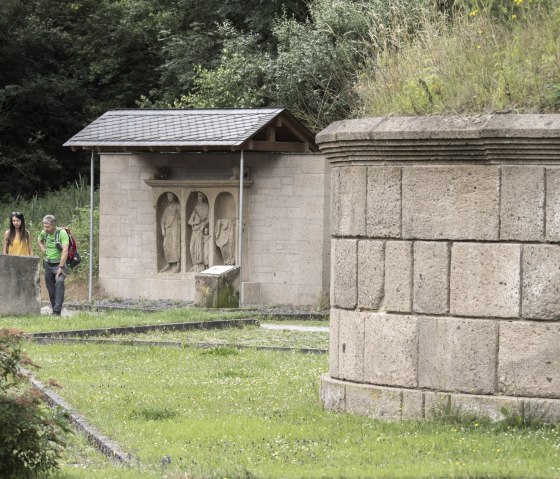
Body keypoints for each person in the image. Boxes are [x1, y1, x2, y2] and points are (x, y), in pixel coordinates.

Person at [37, 215, 68, 316]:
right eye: (44, 226)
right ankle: (55, 308)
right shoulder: (44, 233)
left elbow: (65, 250)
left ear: (54, 225)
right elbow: (39, 240)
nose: (45, 229)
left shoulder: (62, 233)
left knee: (59, 283)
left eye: (48, 226)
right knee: (50, 288)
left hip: (60, 264)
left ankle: (57, 311)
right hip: (48, 264)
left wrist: (61, 267)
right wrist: (42, 248)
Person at [188, 192, 209, 272]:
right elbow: (189, 222)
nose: (199, 198)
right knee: (192, 247)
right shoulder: (196, 207)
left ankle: (201, 266)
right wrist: (197, 222)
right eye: (198, 196)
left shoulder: (207, 207)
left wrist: (203, 224)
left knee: (200, 248)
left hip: (202, 230)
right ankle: (195, 265)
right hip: (195, 230)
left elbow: (209, 219)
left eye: (201, 196)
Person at [160, 193, 180, 273]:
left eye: (170, 196)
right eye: (168, 197)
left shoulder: (178, 207)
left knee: (175, 245)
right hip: (168, 229)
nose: (169, 198)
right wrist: (163, 230)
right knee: (166, 245)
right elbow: (162, 221)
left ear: (174, 197)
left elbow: (182, 217)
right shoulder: (167, 209)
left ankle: (178, 265)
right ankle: (169, 263)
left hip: (175, 228)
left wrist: (179, 222)